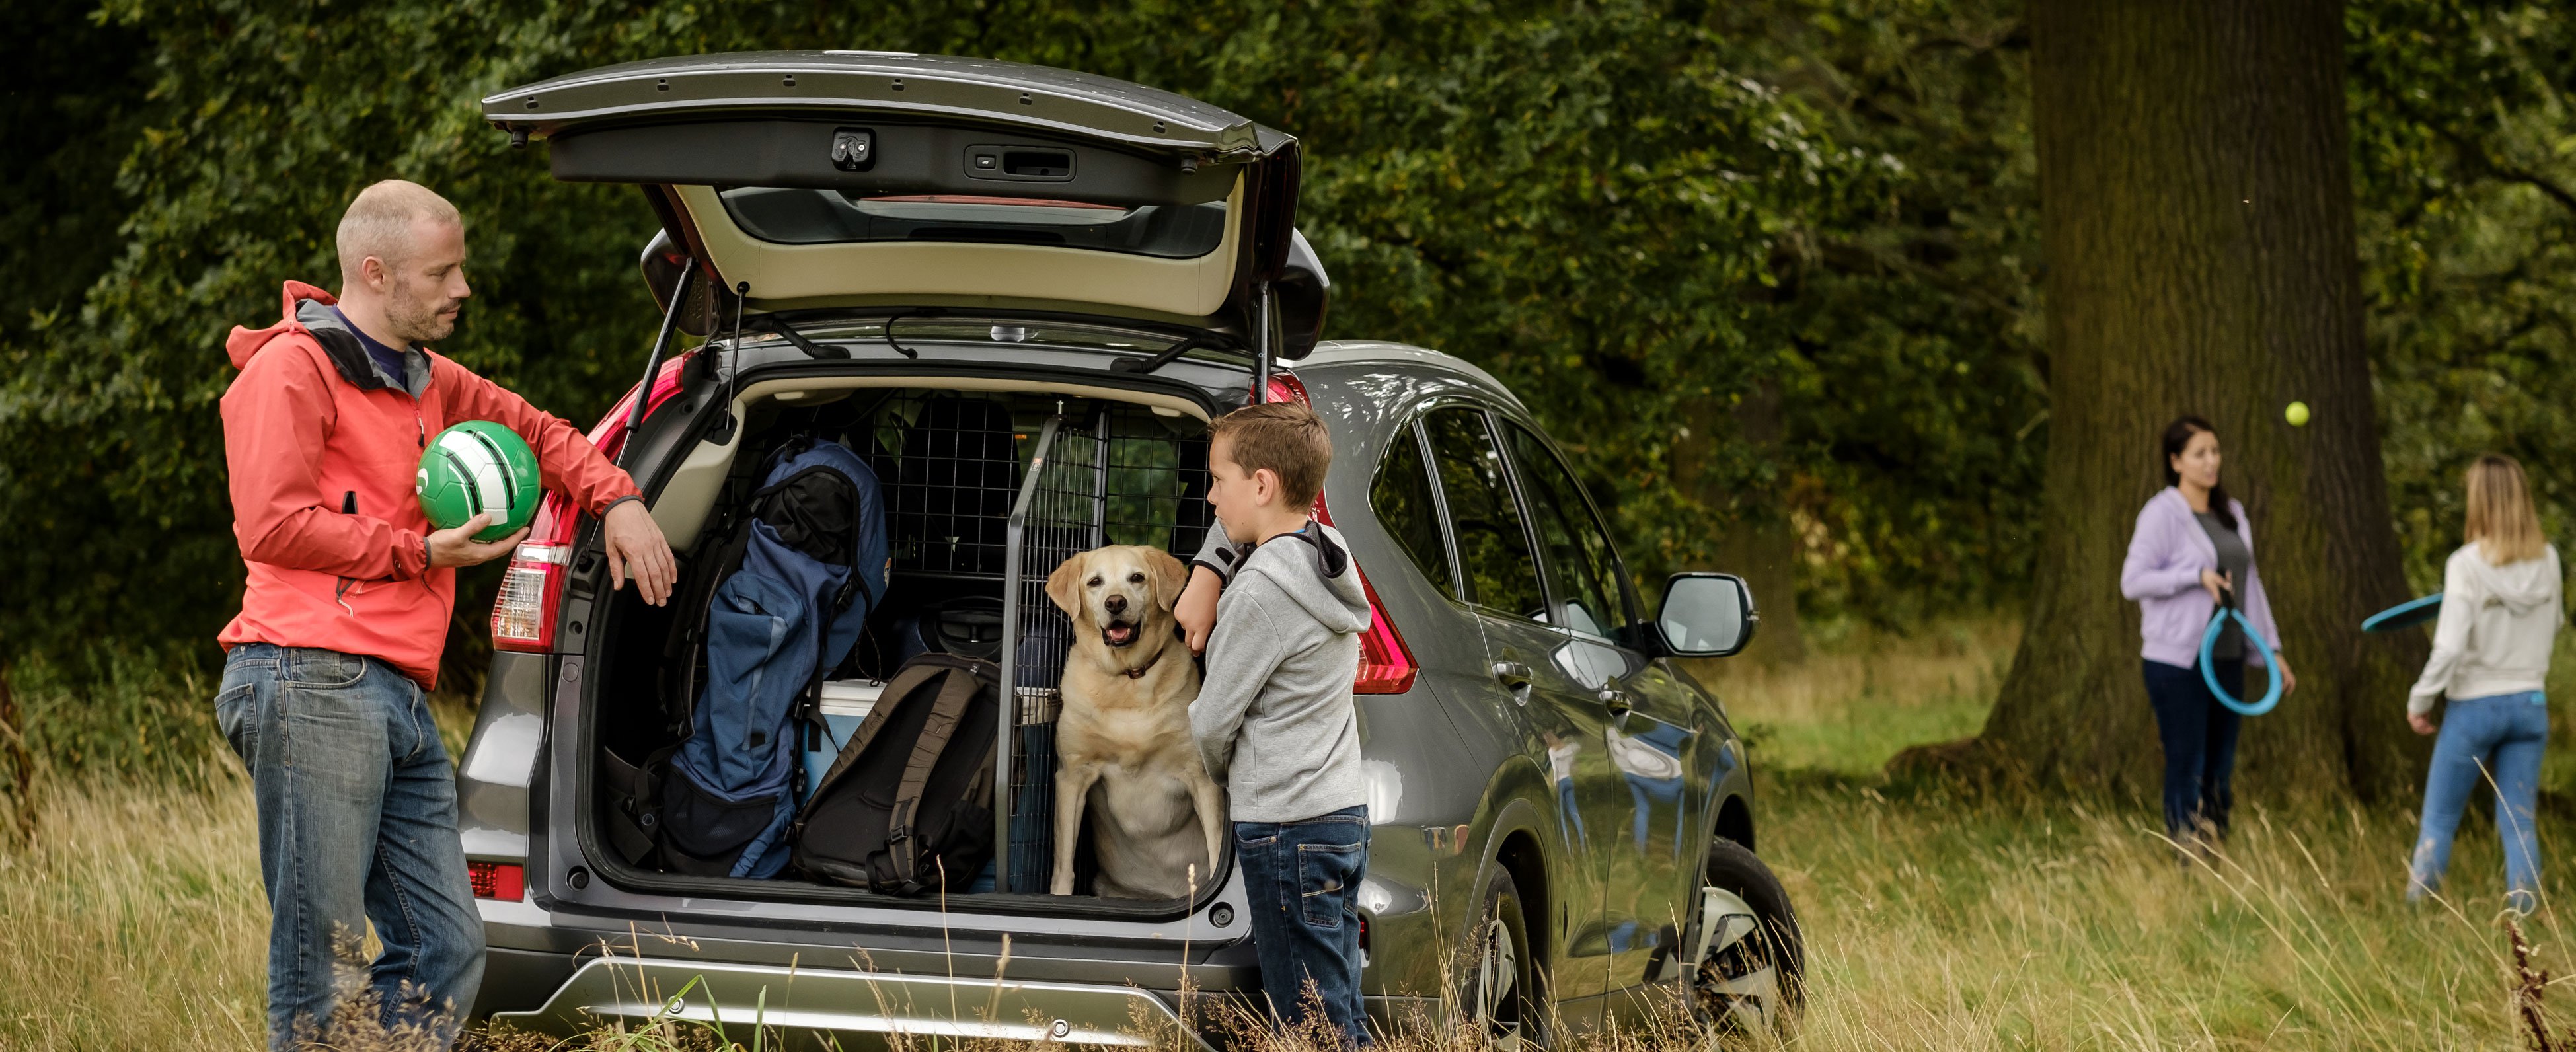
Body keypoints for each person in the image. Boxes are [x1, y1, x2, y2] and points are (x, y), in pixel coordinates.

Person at [215, 180, 677, 1047]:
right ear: (379, 274)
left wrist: (616, 499)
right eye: (444, 273)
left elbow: (538, 430)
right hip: (307, 674)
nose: (463, 288)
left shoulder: (423, 378)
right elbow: (270, 524)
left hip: (390, 691)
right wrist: (416, 552)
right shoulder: (292, 370)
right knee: (328, 958)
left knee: (448, 946)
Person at [1183, 400, 1375, 1047]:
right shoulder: (1326, 558)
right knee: (1336, 1004)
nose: (1210, 498)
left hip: (1285, 829)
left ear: (1261, 485)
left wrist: (1215, 777)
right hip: (1338, 816)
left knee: (1308, 1023)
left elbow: (1213, 720)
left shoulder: (1261, 591)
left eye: (1216, 479)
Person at [2119, 416, 2294, 850]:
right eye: (2200, 454)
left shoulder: (2231, 513)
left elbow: (2250, 586)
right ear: (2176, 461)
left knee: (2221, 763)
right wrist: (2192, 575)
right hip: (2177, 662)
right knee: (2188, 760)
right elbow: (2133, 581)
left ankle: (2216, 852)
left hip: (2228, 657)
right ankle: (2186, 853)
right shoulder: (2162, 514)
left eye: (2215, 451)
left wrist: (2271, 652)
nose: (2211, 462)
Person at [2404, 455, 2561, 913]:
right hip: (2530, 704)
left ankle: (2416, 914)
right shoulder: (2549, 559)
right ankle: (2528, 923)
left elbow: (2449, 648)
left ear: (2479, 502)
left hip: (2474, 708)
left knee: (2439, 819)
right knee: (2519, 824)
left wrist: (2420, 700)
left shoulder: (2466, 564)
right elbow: (2555, 625)